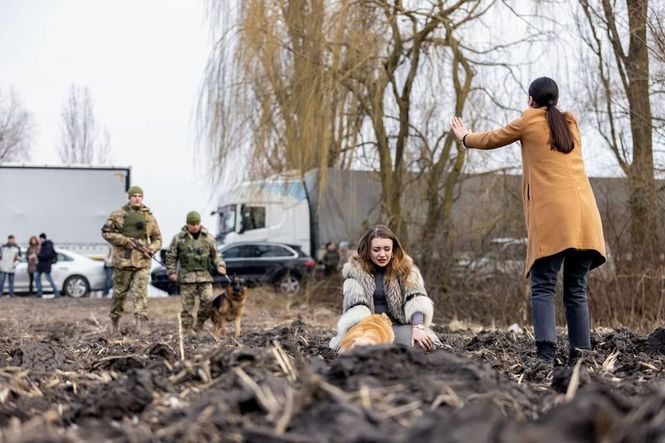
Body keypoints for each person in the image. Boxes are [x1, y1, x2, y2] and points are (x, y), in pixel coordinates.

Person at [450, 76, 606, 365]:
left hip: (556, 218)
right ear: (556, 100)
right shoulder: (571, 125)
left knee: (543, 284)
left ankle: (546, 355)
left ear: (531, 100)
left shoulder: (528, 121)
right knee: (576, 287)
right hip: (587, 217)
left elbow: (490, 139)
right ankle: (582, 354)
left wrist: (464, 137)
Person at [329, 224, 441, 351]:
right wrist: (369, 330)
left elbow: (416, 300)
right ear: (368, 251)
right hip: (369, 326)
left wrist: (418, 327)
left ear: (393, 249)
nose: (382, 254)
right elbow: (356, 307)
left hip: (398, 326)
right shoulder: (355, 272)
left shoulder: (407, 270)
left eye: (387, 249)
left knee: (422, 345)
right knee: (357, 350)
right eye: (376, 250)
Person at [101, 185, 162, 333]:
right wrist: (124, 241)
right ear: (129, 198)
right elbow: (106, 232)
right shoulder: (118, 215)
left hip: (142, 262)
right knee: (119, 294)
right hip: (123, 261)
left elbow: (158, 239)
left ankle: (141, 325)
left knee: (140, 293)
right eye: (134, 196)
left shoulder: (149, 217)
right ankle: (114, 322)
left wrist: (151, 249)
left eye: (139, 196)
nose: (137, 198)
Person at [166, 211, 226, 333]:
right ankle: (187, 329)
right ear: (187, 224)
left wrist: (220, 265)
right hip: (186, 277)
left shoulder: (208, 238)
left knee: (208, 301)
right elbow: (171, 256)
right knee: (187, 305)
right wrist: (172, 272)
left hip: (204, 276)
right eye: (191, 224)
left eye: (196, 224)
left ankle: (199, 324)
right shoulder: (179, 238)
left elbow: (216, 254)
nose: (194, 226)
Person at [36, 233, 60, 298]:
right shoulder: (43, 245)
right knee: (37, 278)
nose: (40, 240)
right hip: (41, 265)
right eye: (39, 239)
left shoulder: (48, 245)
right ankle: (39, 293)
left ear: (44, 238)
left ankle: (56, 292)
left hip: (46, 265)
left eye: (40, 239)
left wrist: (38, 255)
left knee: (49, 279)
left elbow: (47, 255)